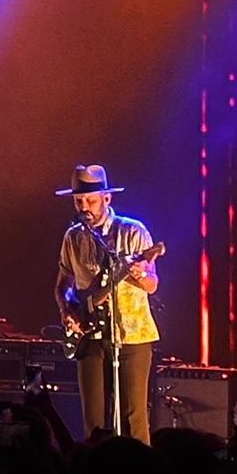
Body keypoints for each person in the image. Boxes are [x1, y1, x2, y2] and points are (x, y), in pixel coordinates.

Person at [54, 163, 159, 442]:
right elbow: (63, 285)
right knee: (94, 419)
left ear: (106, 198)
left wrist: (139, 275)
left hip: (133, 335)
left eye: (90, 200)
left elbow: (152, 285)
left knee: (133, 416)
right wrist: (67, 312)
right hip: (89, 336)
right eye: (79, 201)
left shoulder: (133, 231)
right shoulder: (73, 237)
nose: (84, 206)